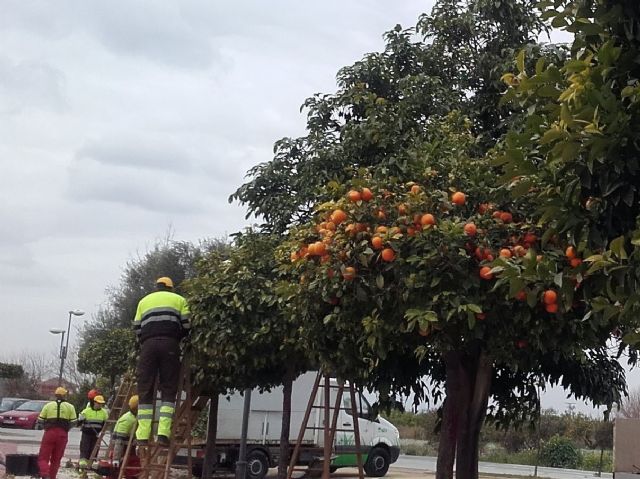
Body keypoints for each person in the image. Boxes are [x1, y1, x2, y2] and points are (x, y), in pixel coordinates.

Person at [133, 277, 190, 446]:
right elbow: (187, 325)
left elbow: (137, 327)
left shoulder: (143, 301)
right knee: (169, 388)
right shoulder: (179, 300)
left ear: (156, 287)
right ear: (171, 288)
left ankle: (142, 435)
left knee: (145, 389)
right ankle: (163, 434)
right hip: (170, 344)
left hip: (147, 346)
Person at [37, 387, 77, 479]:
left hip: (49, 433)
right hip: (62, 434)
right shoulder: (70, 407)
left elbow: (40, 420)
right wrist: (66, 429)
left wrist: (46, 428)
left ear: (55, 395)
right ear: (65, 396)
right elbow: (74, 422)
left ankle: (44, 474)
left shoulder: (48, 405)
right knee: (56, 459)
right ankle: (52, 477)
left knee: (43, 457)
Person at [111, 395, 140, 477]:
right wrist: (116, 458)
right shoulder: (127, 420)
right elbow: (119, 441)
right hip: (122, 450)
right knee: (119, 472)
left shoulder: (133, 417)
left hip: (129, 448)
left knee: (132, 470)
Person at [77, 394, 108, 470]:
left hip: (97, 434)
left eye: (101, 403)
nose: (100, 405)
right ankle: (83, 464)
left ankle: (91, 464)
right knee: (85, 448)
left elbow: (106, 424)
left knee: (94, 449)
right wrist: (80, 419)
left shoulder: (104, 413)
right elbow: (78, 423)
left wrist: (102, 432)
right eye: (98, 403)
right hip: (86, 434)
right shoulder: (86, 411)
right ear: (94, 402)